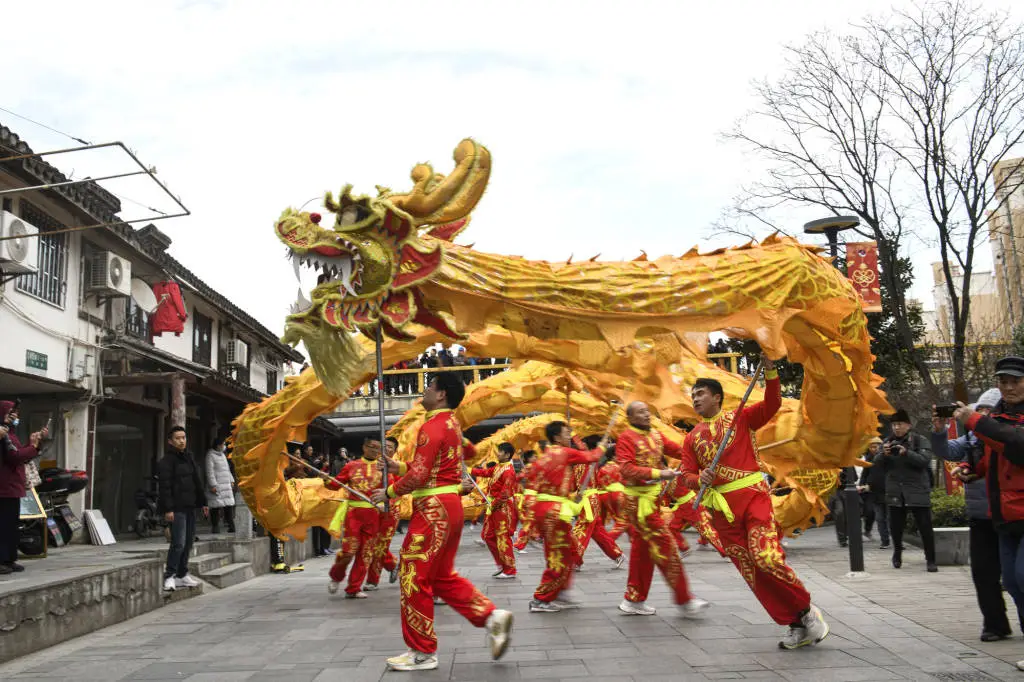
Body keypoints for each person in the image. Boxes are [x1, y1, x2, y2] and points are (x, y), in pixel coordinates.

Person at [679, 355, 829, 649]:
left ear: (717, 397)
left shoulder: (740, 418)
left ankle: (807, 611)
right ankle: (794, 623)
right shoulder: (692, 438)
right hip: (722, 512)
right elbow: (686, 474)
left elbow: (772, 404)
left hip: (753, 499)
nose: (695, 399)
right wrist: (700, 479)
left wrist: (771, 370)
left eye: (701, 394)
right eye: (693, 395)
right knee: (752, 572)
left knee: (767, 558)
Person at [371, 374, 513, 672]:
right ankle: (490, 617)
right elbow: (433, 468)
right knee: (440, 577)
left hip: (433, 510)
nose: (424, 390)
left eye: (430, 386)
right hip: (448, 507)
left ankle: (422, 652)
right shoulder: (451, 425)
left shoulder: (432, 425)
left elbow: (421, 476)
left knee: (412, 574)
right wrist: (399, 467)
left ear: (441, 395)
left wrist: (389, 491)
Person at [953, 356, 1024, 670]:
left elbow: (1016, 444)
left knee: (1023, 576)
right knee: (1011, 581)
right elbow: (993, 456)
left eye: (1015, 381)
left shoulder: (994, 422)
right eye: (1003, 381)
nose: (1008, 387)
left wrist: (975, 421)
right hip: (1004, 516)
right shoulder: (997, 416)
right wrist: (973, 471)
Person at [932, 388, 1014, 642]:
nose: (985, 415)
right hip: (981, 516)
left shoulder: (1010, 436)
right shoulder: (971, 439)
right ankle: (995, 624)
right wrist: (938, 430)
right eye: (981, 410)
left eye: (990, 410)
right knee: (983, 573)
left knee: (1015, 576)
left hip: (1012, 516)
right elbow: (946, 451)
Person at [616, 403, 709, 618]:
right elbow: (627, 469)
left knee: (643, 552)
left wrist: (702, 453)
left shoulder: (656, 436)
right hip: (639, 503)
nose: (647, 414)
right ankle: (684, 599)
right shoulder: (626, 438)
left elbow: (679, 450)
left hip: (652, 500)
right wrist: (659, 473)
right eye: (640, 412)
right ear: (629, 416)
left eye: (648, 410)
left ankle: (633, 600)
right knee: (666, 547)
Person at [527, 421, 606, 612]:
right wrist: (603, 445)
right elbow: (592, 456)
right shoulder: (564, 452)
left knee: (568, 551)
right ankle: (541, 599)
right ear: (556, 437)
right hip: (554, 512)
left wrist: (569, 496)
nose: (569, 437)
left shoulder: (543, 457)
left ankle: (560, 591)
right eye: (566, 433)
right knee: (559, 556)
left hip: (544, 509)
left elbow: (538, 486)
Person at [326, 437, 386, 598]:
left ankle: (353, 588)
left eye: (377, 448)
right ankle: (336, 576)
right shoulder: (351, 466)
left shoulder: (383, 468)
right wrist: (327, 480)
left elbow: (391, 489)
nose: (375, 450)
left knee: (365, 553)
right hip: (354, 514)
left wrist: (386, 501)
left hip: (373, 514)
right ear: (364, 447)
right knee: (348, 552)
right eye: (371, 447)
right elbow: (335, 484)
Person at [882, 409, 936, 572]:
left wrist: (907, 453)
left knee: (925, 527)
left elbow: (924, 460)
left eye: (899, 424)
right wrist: (883, 454)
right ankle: (897, 553)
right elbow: (878, 465)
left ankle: (931, 559)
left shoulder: (920, 440)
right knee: (896, 528)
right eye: (894, 425)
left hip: (917, 489)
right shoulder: (887, 441)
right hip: (895, 492)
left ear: (908, 425)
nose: (896, 428)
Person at [0, 400, 48, 574]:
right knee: (4, 526)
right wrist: (32, 447)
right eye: (10, 413)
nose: (14, 417)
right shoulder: (3, 433)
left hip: (12, 486)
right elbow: (14, 456)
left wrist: (33, 444)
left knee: (11, 526)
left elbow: (21, 456)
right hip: (4, 487)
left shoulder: (10, 434)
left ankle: (9, 558)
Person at [158, 426, 208, 591]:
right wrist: (168, 509)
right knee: (178, 543)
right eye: (178, 438)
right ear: (170, 441)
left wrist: (203, 502)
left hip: (190, 506)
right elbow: (165, 487)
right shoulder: (166, 462)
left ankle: (182, 574)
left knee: (188, 543)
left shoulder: (189, 458)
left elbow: (197, 482)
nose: (182, 441)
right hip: (176, 508)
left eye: (184, 437)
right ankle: (169, 576)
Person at [470, 443, 519, 579]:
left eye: (501, 452)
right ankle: (501, 564)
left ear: (507, 455)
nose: (498, 454)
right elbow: (485, 472)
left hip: (502, 508)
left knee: (503, 538)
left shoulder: (509, 471)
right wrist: (470, 470)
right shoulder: (498, 467)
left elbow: (505, 493)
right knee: (487, 535)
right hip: (494, 506)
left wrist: (493, 504)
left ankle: (510, 570)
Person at [365, 437, 401, 590]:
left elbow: (401, 488)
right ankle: (393, 565)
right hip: (371, 511)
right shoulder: (370, 464)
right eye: (384, 446)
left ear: (395, 451)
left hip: (390, 512)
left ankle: (372, 581)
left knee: (380, 546)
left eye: (390, 447)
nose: (386, 449)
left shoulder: (398, 467)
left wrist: (388, 501)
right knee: (369, 544)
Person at [858, 438, 890, 549]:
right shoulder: (868, 460)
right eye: (871, 447)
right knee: (879, 517)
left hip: (889, 491)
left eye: (876, 446)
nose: (873, 449)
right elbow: (864, 475)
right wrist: (862, 485)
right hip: (873, 492)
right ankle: (884, 541)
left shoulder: (888, 458)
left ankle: (896, 540)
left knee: (891, 518)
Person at [205, 438, 236, 534]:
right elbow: (209, 472)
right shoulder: (210, 455)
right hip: (217, 485)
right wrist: (213, 485)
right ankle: (215, 527)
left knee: (228, 506)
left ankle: (232, 526)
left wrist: (231, 480)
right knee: (215, 507)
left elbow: (227, 469)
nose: (224, 446)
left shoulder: (223, 455)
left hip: (226, 484)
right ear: (218, 445)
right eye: (223, 444)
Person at [828, 466, 859, 547]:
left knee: (850, 513)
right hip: (834, 490)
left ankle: (851, 535)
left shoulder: (848, 462)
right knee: (839, 512)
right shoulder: (830, 461)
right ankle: (842, 539)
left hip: (846, 489)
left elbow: (854, 477)